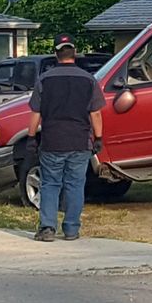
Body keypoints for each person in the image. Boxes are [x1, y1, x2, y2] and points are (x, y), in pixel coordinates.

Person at [27, 34, 105, 242]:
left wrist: (31, 137)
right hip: (80, 142)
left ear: (56, 54)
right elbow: (96, 113)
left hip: (52, 141)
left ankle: (47, 228)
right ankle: (71, 229)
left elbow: (35, 113)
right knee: (75, 184)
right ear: (75, 53)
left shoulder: (45, 80)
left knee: (50, 184)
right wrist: (98, 137)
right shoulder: (89, 80)